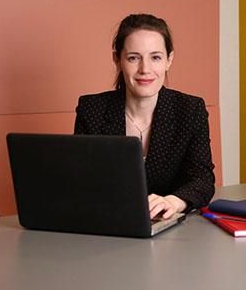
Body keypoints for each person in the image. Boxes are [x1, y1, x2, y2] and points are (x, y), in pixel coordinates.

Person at [74, 13, 215, 219]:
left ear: (169, 60)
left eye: (156, 57)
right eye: (133, 58)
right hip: (108, 227)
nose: (145, 69)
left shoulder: (190, 109)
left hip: (172, 229)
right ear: (117, 60)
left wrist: (173, 202)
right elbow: (81, 182)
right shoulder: (92, 109)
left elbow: (203, 179)